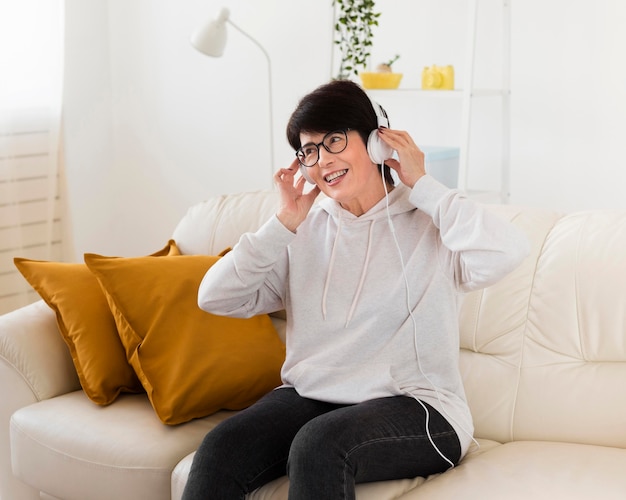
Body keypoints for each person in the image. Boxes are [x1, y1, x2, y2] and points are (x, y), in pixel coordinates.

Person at [182, 79, 529, 500]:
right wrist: (283, 223)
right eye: (309, 150)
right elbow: (214, 297)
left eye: (334, 140)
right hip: (312, 397)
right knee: (221, 447)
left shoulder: (432, 225)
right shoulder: (303, 231)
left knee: (319, 445)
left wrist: (424, 185)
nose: (322, 159)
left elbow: (508, 250)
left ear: (377, 143)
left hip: (422, 410)